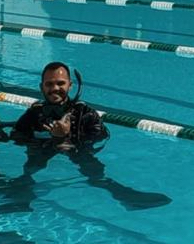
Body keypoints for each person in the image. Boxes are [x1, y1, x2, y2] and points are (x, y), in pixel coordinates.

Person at [9, 62, 170, 211]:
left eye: (60, 83)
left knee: (91, 166)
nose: (55, 88)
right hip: (44, 148)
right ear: (41, 87)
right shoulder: (35, 113)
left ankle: (125, 196)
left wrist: (67, 137)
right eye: (49, 84)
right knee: (31, 166)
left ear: (70, 86)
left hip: (75, 149)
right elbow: (16, 135)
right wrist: (41, 140)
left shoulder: (84, 113)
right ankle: (22, 196)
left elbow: (101, 135)